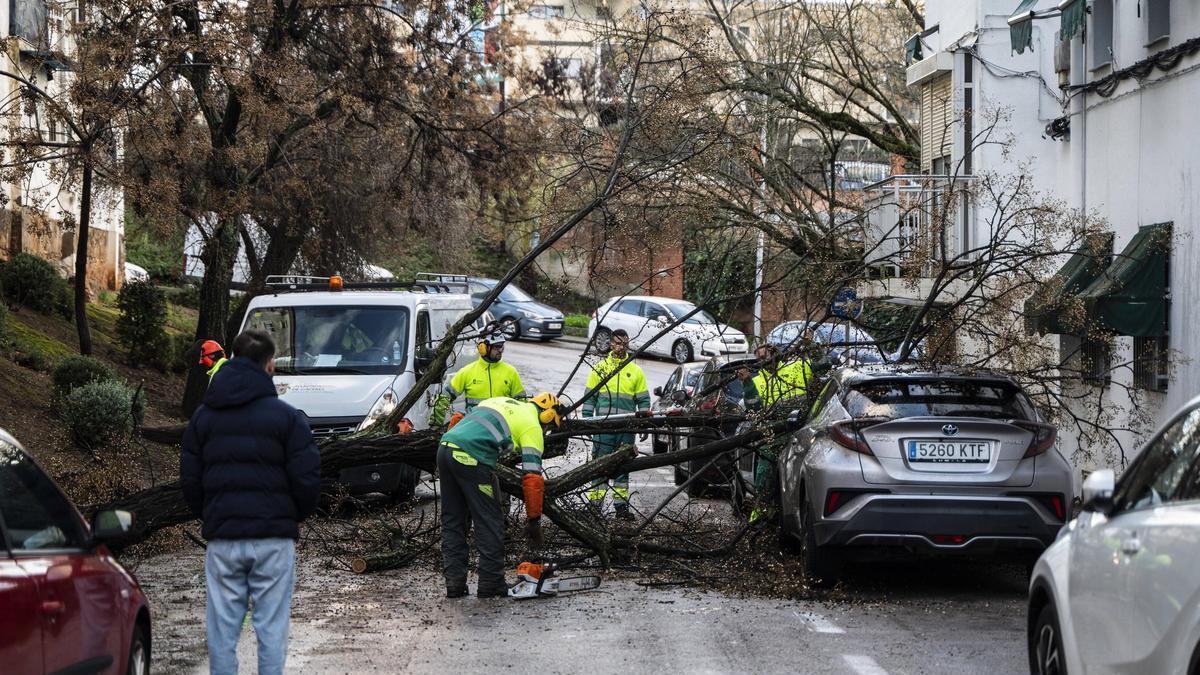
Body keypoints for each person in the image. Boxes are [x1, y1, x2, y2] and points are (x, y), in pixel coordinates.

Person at [181, 330, 321, 675]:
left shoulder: (203, 418)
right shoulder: (287, 418)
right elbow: (307, 479)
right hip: (274, 539)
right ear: (270, 364)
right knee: (271, 628)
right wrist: (292, 517)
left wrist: (211, 515)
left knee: (222, 629)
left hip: (224, 538)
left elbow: (190, 480)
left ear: (232, 356)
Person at [437, 392, 565, 598]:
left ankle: (454, 584)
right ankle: (491, 582)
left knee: (453, 521)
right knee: (489, 520)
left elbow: (459, 418)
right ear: (548, 416)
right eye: (549, 426)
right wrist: (534, 521)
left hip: (445, 449)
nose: (546, 431)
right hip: (472, 456)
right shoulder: (532, 425)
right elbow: (532, 479)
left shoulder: (499, 401)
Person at [737, 342, 812, 522]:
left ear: (775, 353)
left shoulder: (798, 368)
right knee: (766, 466)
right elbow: (753, 408)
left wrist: (811, 345)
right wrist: (747, 382)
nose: (762, 360)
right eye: (759, 358)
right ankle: (763, 509)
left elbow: (822, 365)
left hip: (802, 432)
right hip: (774, 436)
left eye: (765, 356)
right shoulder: (756, 382)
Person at [582, 329, 650, 520]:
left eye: (625, 343)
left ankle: (621, 507)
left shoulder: (635, 371)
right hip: (603, 429)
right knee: (600, 467)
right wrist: (587, 421)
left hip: (626, 429)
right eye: (618, 343)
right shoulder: (600, 368)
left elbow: (644, 401)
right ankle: (595, 506)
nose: (622, 346)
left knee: (622, 468)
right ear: (611, 344)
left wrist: (643, 424)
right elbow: (589, 398)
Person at [429, 332, 525, 427]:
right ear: (483, 348)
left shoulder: (511, 372)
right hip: (474, 427)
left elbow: (522, 403)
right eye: (496, 347)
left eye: (501, 346)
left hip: (502, 426)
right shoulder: (467, 371)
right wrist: (436, 425)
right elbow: (444, 398)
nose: (500, 350)